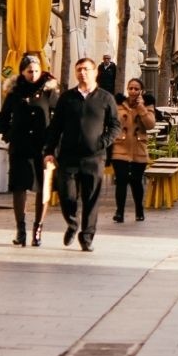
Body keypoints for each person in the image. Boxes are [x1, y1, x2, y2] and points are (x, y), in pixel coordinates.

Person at [44, 57, 116, 250]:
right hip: (68, 156)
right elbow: (56, 126)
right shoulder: (67, 98)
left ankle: (87, 237)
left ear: (95, 72)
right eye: (78, 70)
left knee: (91, 199)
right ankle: (72, 222)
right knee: (67, 196)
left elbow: (115, 126)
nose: (82, 73)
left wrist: (102, 142)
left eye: (86, 69)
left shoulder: (106, 98)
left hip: (94, 158)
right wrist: (49, 151)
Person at [0, 53, 57, 247]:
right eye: (30, 71)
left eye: (36, 70)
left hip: (42, 146)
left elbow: (58, 116)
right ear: (22, 71)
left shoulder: (49, 91)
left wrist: (53, 141)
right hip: (20, 145)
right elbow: (3, 117)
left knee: (42, 188)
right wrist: (7, 133)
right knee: (19, 187)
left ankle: (38, 229)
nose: (33, 74)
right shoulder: (14, 92)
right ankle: (21, 229)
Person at [111, 78, 158, 223]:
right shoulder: (118, 105)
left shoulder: (147, 105)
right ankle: (119, 211)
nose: (133, 91)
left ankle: (139, 209)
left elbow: (150, 125)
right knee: (121, 179)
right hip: (120, 147)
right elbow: (112, 122)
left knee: (136, 181)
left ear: (141, 91)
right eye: (130, 88)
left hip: (139, 148)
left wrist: (141, 109)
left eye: (136, 89)